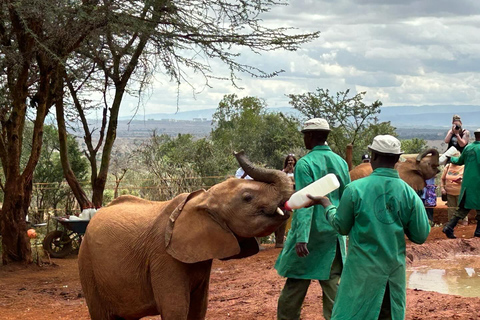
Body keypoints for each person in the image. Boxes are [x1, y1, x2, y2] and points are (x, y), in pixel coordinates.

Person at [307, 135, 431, 320]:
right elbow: (421, 235)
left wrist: (327, 204)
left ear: (373, 157)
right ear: (397, 159)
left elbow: (341, 226)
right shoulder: (408, 193)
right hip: (392, 274)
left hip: (361, 273)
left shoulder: (354, 189)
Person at [275, 118, 351, 320]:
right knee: (333, 286)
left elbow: (305, 203)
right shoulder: (341, 162)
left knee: (295, 285)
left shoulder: (305, 164)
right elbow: (346, 199)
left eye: (305, 136)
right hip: (333, 235)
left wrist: (301, 237)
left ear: (310, 136)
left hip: (310, 237)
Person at [442, 128, 480, 239]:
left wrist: (450, 158)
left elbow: (459, 161)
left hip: (467, 186)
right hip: (478, 185)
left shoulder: (468, 148)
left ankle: (449, 226)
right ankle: (478, 231)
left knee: (463, 208)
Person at [275, 154, 298, 248]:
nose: (290, 162)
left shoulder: (298, 171)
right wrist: (286, 171)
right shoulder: (282, 172)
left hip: (296, 196)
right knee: (282, 217)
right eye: (289, 160)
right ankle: (279, 241)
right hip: (284, 199)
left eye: (292, 160)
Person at [440, 157, 467, 225]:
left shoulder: (464, 166)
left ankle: (464, 225)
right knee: (451, 209)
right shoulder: (448, 166)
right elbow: (442, 179)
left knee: (461, 208)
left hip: (460, 193)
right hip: (449, 192)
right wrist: (442, 188)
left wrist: (460, 181)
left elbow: (468, 180)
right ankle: (452, 225)